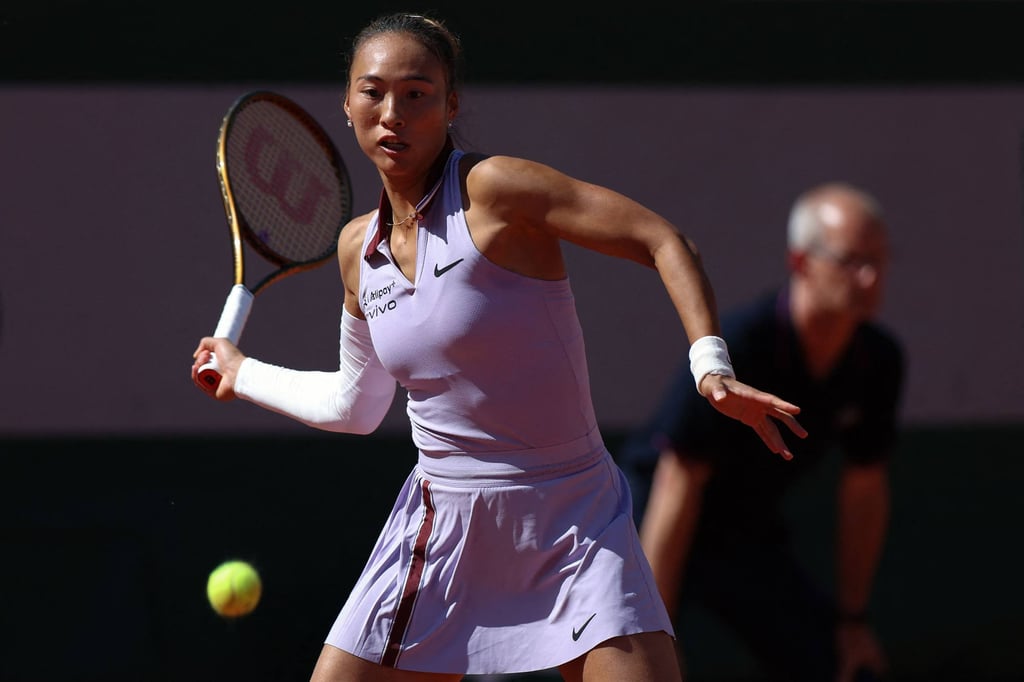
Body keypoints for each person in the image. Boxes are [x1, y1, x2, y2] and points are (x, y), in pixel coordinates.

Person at [191, 12, 806, 682]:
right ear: (347, 105)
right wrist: (242, 372)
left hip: (573, 518)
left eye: (417, 93)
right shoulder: (354, 251)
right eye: (372, 92)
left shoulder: (497, 190)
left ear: (451, 104)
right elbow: (356, 404)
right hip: (440, 529)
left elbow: (662, 240)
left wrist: (710, 368)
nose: (392, 112)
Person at [618, 182, 904, 682]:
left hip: (744, 535)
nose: (870, 277)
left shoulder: (879, 361)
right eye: (852, 260)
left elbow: (865, 489)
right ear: (801, 263)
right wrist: (657, 635)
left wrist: (853, 620)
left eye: (879, 260)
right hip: (648, 522)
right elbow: (678, 482)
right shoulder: (744, 341)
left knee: (841, 666)